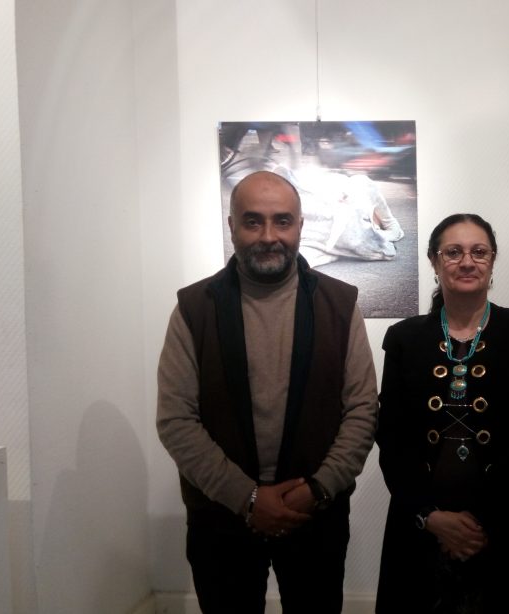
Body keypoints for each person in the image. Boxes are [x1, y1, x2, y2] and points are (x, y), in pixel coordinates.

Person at [156, 170, 378, 614]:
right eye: (253, 221)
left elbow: (362, 410)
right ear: (232, 226)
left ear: (300, 226)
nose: (269, 236)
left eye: (282, 221)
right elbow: (176, 421)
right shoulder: (194, 308)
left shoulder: (340, 304)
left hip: (314, 514)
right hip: (221, 518)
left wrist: (317, 488)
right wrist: (248, 498)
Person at [375, 214, 509, 614]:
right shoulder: (404, 338)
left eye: (479, 252)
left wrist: (478, 523)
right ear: (434, 260)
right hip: (423, 523)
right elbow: (392, 437)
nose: (467, 262)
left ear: (492, 260)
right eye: (453, 252)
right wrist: (430, 517)